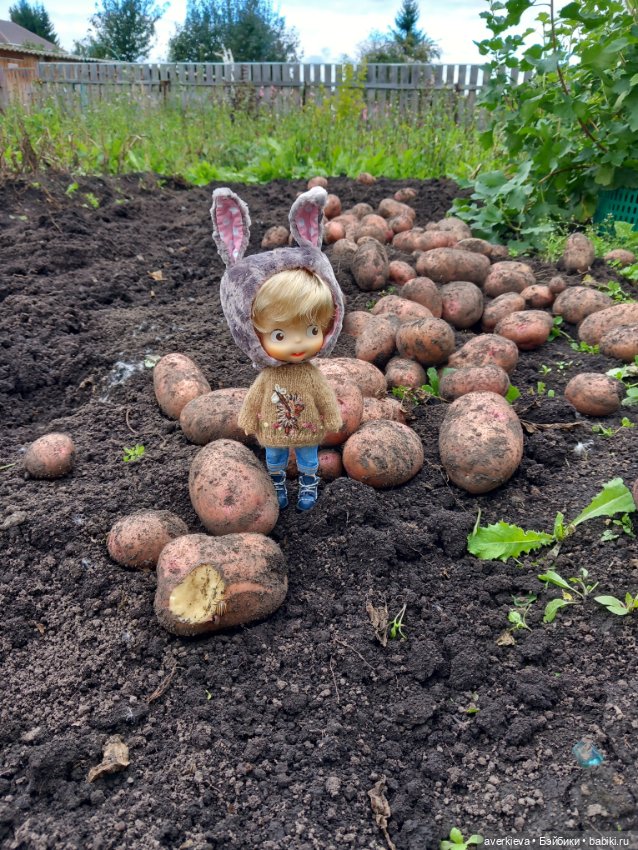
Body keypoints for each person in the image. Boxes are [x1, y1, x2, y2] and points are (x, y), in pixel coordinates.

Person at [211, 186, 345, 511]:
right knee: (274, 457)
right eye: (280, 336)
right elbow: (256, 397)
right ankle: (278, 488)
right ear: (250, 331)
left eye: (313, 330)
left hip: (309, 428)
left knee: (309, 460)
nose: (300, 343)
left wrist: (332, 416)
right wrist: (247, 419)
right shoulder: (268, 377)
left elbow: (324, 395)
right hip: (272, 428)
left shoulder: (310, 375)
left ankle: (308, 489)